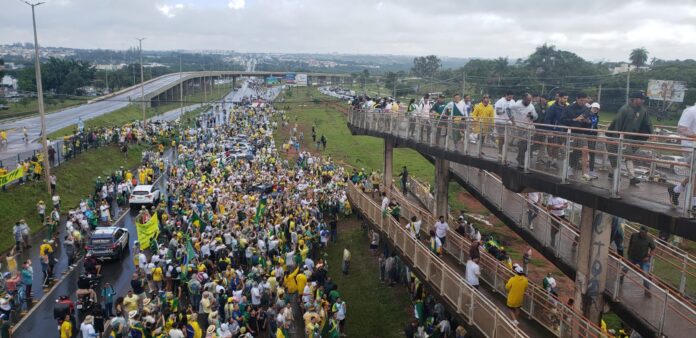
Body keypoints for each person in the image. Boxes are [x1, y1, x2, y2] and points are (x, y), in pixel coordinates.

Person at [607, 91, 653, 185]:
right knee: (623, 156)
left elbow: (648, 123)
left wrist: (651, 133)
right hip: (620, 138)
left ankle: (612, 173)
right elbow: (617, 124)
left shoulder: (643, 110)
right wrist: (615, 140)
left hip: (632, 138)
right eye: (640, 99)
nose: (642, 101)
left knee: (624, 156)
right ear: (634, 99)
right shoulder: (624, 109)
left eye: (643, 99)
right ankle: (631, 177)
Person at [668, 103, 696, 209]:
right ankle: (694, 203)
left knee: (695, 173)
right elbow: (681, 129)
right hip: (690, 146)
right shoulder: (691, 111)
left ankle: (676, 190)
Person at [560, 93, 592, 177]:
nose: (583, 102)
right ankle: (568, 167)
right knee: (570, 152)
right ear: (577, 99)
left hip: (581, 133)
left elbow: (589, 123)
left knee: (585, 151)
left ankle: (584, 173)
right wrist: (575, 119)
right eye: (581, 100)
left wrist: (587, 122)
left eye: (585, 100)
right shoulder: (568, 108)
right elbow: (562, 120)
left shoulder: (587, 108)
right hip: (570, 132)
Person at [509, 93, 537, 167]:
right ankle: (521, 159)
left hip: (529, 127)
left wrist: (531, 116)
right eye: (528, 100)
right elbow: (508, 109)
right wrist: (511, 119)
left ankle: (521, 158)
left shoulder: (531, 106)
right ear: (523, 99)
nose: (529, 102)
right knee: (522, 144)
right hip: (520, 127)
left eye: (530, 100)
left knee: (526, 144)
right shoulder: (517, 105)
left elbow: (536, 116)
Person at [627, 226, 656, 296]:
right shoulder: (634, 235)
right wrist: (629, 253)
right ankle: (619, 280)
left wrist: (648, 256)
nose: (641, 233)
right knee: (624, 268)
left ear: (646, 232)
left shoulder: (649, 239)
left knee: (645, 274)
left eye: (643, 232)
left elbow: (653, 248)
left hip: (643, 259)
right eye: (640, 231)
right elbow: (630, 244)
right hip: (632, 257)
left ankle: (647, 290)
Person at [494, 92, 515, 157]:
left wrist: (513, 121)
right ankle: (500, 152)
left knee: (506, 138)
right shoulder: (500, 102)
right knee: (502, 137)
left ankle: (504, 151)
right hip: (500, 122)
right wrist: (504, 111)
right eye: (509, 97)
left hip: (508, 122)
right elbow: (498, 112)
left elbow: (513, 112)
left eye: (511, 97)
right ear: (506, 95)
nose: (510, 99)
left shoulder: (513, 101)